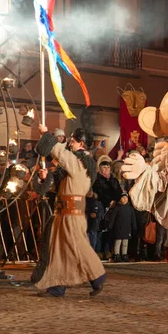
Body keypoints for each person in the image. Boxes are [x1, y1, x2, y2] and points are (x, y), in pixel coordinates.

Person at [33, 124, 106, 298]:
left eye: (72, 141)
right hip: (63, 213)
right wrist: (46, 177)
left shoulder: (81, 162)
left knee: (78, 247)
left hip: (72, 214)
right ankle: (57, 286)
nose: (70, 144)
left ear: (81, 143)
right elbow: (62, 181)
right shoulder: (76, 164)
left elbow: (62, 155)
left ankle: (98, 276)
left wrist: (47, 135)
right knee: (59, 250)